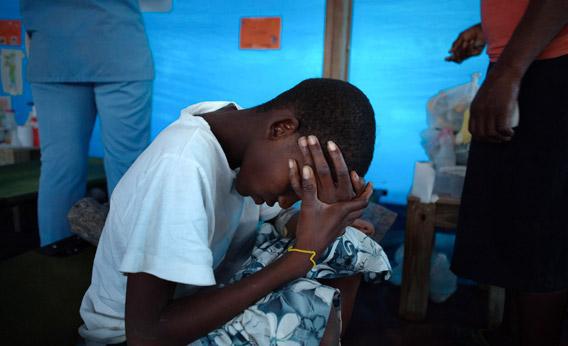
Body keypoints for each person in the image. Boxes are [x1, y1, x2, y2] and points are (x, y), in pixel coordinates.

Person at [78, 78, 380, 345]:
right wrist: (300, 257)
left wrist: (322, 223)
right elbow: (146, 335)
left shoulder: (240, 133)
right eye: (295, 185)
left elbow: (273, 218)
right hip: (135, 334)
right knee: (302, 313)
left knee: (349, 245)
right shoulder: (181, 166)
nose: (288, 201)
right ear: (281, 128)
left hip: (207, 291)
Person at [447, 1, 568, 345]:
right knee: (517, 227)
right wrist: (491, 30)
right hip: (529, 61)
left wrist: (508, 71)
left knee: (542, 237)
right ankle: (511, 335)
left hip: (549, 68)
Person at [19, 0, 154, 247]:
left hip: (52, 48)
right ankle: (131, 266)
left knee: (59, 167)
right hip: (117, 45)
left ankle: (56, 259)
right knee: (128, 164)